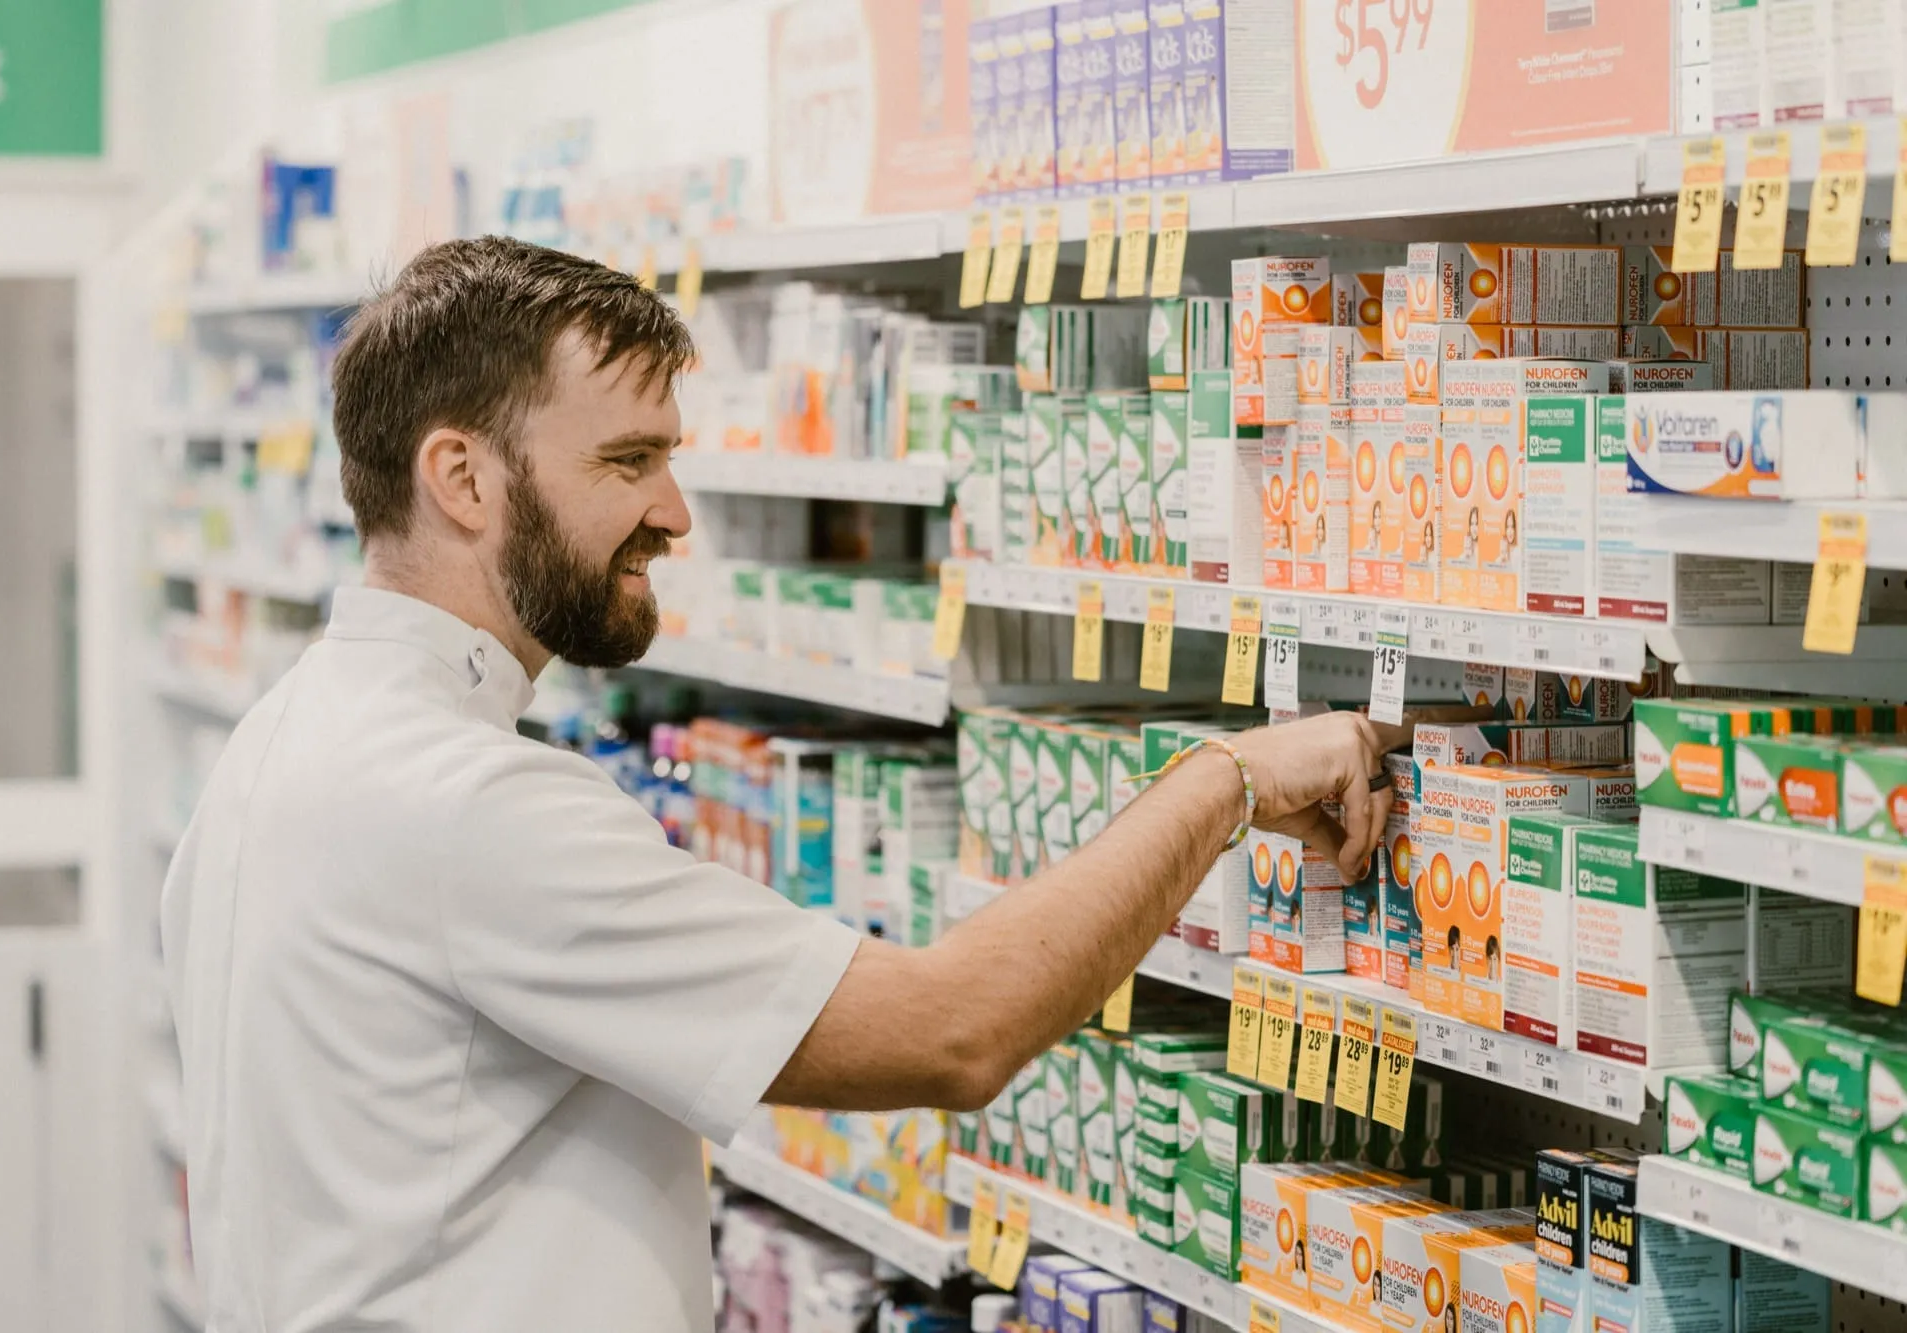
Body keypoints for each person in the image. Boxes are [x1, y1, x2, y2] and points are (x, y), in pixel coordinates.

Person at [161, 237, 1404, 1333]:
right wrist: (1226, 776)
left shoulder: (279, 749)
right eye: (627, 459)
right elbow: (950, 1032)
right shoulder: (464, 806)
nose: (674, 511)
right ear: (463, 477)